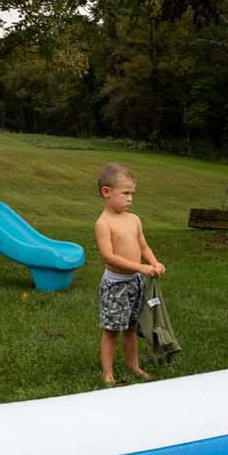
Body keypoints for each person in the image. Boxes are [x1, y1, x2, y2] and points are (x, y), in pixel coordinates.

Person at [94, 162, 165, 385]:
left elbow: (143, 246)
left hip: (136, 284)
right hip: (116, 286)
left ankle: (134, 365)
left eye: (132, 193)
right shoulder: (103, 223)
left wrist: (153, 262)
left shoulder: (134, 219)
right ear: (107, 192)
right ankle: (107, 373)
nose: (130, 198)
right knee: (112, 329)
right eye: (125, 193)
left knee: (131, 326)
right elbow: (109, 257)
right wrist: (140, 268)